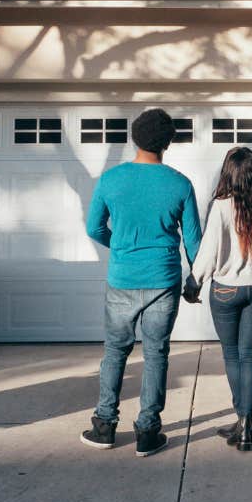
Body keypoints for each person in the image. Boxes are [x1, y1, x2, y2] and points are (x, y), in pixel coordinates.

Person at [81, 107, 202, 457]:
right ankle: (148, 432)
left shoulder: (111, 179)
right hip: (163, 280)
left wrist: (118, 246)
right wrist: (196, 280)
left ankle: (104, 426)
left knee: (115, 352)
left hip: (122, 279)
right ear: (168, 142)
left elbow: (93, 228)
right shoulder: (179, 184)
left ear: (134, 137)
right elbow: (194, 242)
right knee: (156, 353)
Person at [183, 146, 252, 451]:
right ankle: (247, 422)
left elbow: (209, 250)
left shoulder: (222, 206)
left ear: (228, 173)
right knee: (249, 355)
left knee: (232, 355)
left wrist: (193, 281)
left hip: (226, 290)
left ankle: (242, 421)